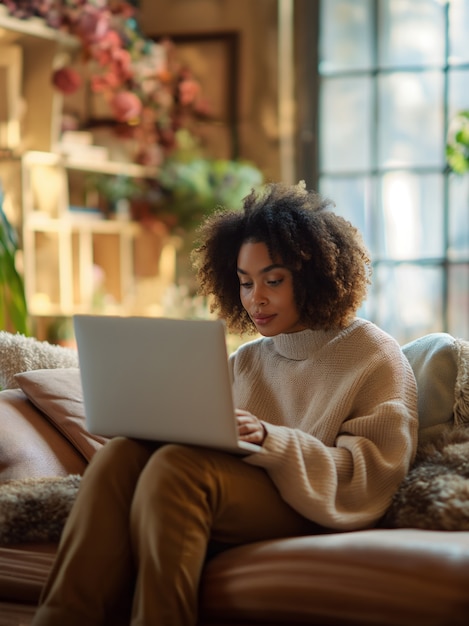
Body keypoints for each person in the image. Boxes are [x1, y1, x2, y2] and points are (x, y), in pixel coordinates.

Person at [32, 181, 418, 626]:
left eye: (273, 280)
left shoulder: (374, 355)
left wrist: (273, 441)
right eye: (245, 283)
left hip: (319, 505)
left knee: (178, 470)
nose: (256, 298)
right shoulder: (249, 359)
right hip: (243, 492)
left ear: (315, 277)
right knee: (122, 455)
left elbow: (373, 474)